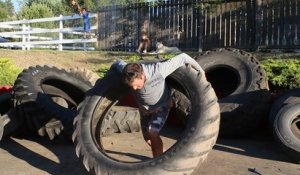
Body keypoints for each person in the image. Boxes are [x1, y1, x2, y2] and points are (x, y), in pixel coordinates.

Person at [112, 53, 204, 157]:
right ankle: (163, 155)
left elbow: (183, 57)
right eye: (132, 86)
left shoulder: (158, 70)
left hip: (161, 106)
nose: (134, 89)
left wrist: (202, 72)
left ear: (142, 76)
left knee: (152, 132)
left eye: (136, 85)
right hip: (145, 110)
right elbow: (116, 62)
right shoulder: (127, 70)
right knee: (148, 138)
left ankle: (157, 161)